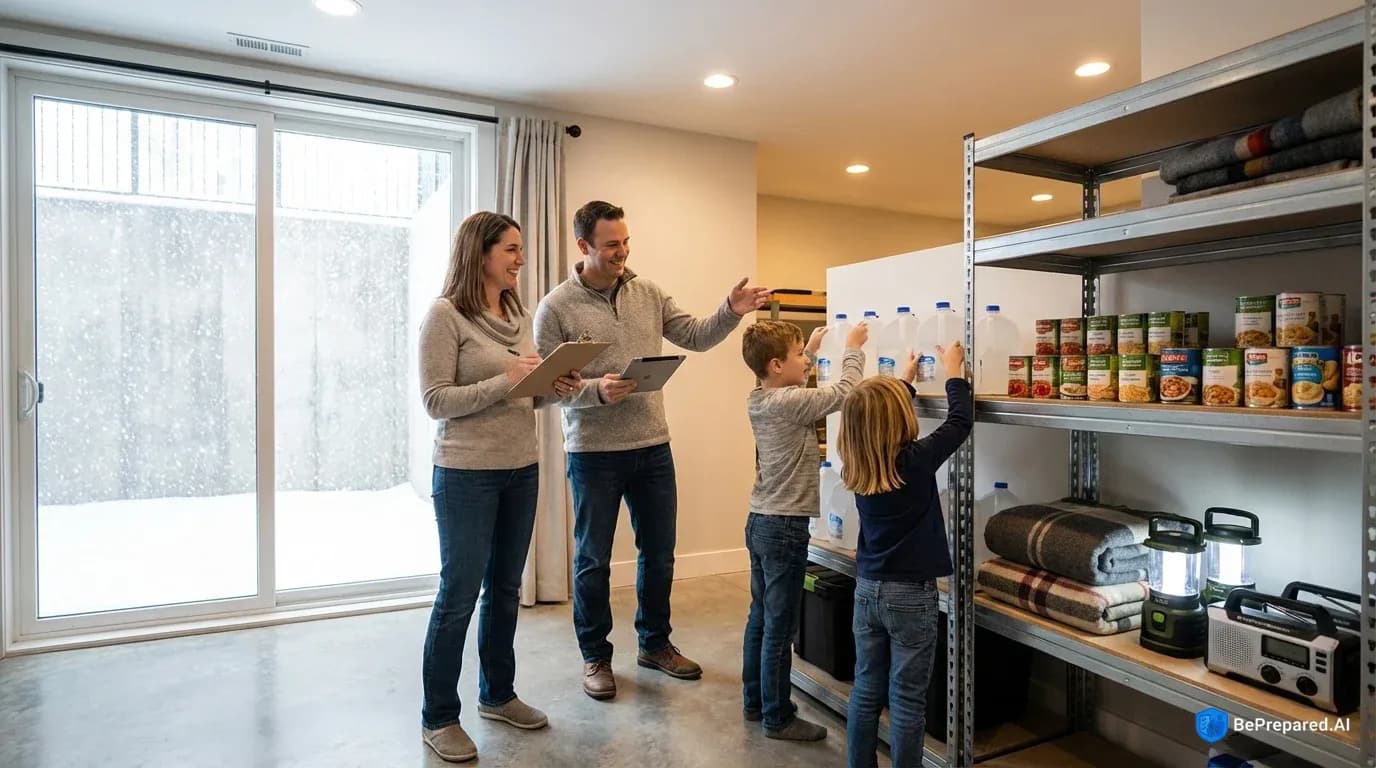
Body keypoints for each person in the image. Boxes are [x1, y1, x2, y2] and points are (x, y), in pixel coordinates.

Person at [534, 200, 771, 701]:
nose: (622, 252)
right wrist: (597, 390)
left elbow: (696, 336)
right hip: (594, 453)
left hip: (652, 448)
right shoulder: (555, 307)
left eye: (626, 241)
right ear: (584, 247)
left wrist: (731, 310)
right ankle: (596, 656)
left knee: (659, 555)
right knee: (593, 560)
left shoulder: (648, 292)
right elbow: (546, 388)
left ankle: (655, 644)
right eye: (611, 245)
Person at [417, 211, 582, 763]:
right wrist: (505, 379)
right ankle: (439, 716)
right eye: (511, 249)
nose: (520, 258)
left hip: (521, 467)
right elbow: (436, 400)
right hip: (465, 474)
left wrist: (552, 387)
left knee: (505, 591)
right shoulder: (444, 316)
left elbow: (525, 397)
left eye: (520, 248)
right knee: (459, 595)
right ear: (480, 253)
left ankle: (498, 695)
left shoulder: (515, 314)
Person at [739, 318, 882, 741]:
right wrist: (853, 349)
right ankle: (777, 716)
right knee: (779, 628)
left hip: (760, 519)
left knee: (760, 619)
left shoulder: (760, 397)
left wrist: (813, 350)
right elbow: (842, 393)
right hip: (784, 527)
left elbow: (800, 392)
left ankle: (756, 701)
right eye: (799, 356)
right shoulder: (789, 402)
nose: (806, 361)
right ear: (777, 364)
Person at [836, 341, 971, 768]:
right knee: (908, 700)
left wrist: (905, 382)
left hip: (867, 590)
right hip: (911, 596)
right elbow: (960, 421)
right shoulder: (914, 461)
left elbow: (876, 419)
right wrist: (953, 372)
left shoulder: (856, 464)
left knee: (865, 690)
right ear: (900, 419)